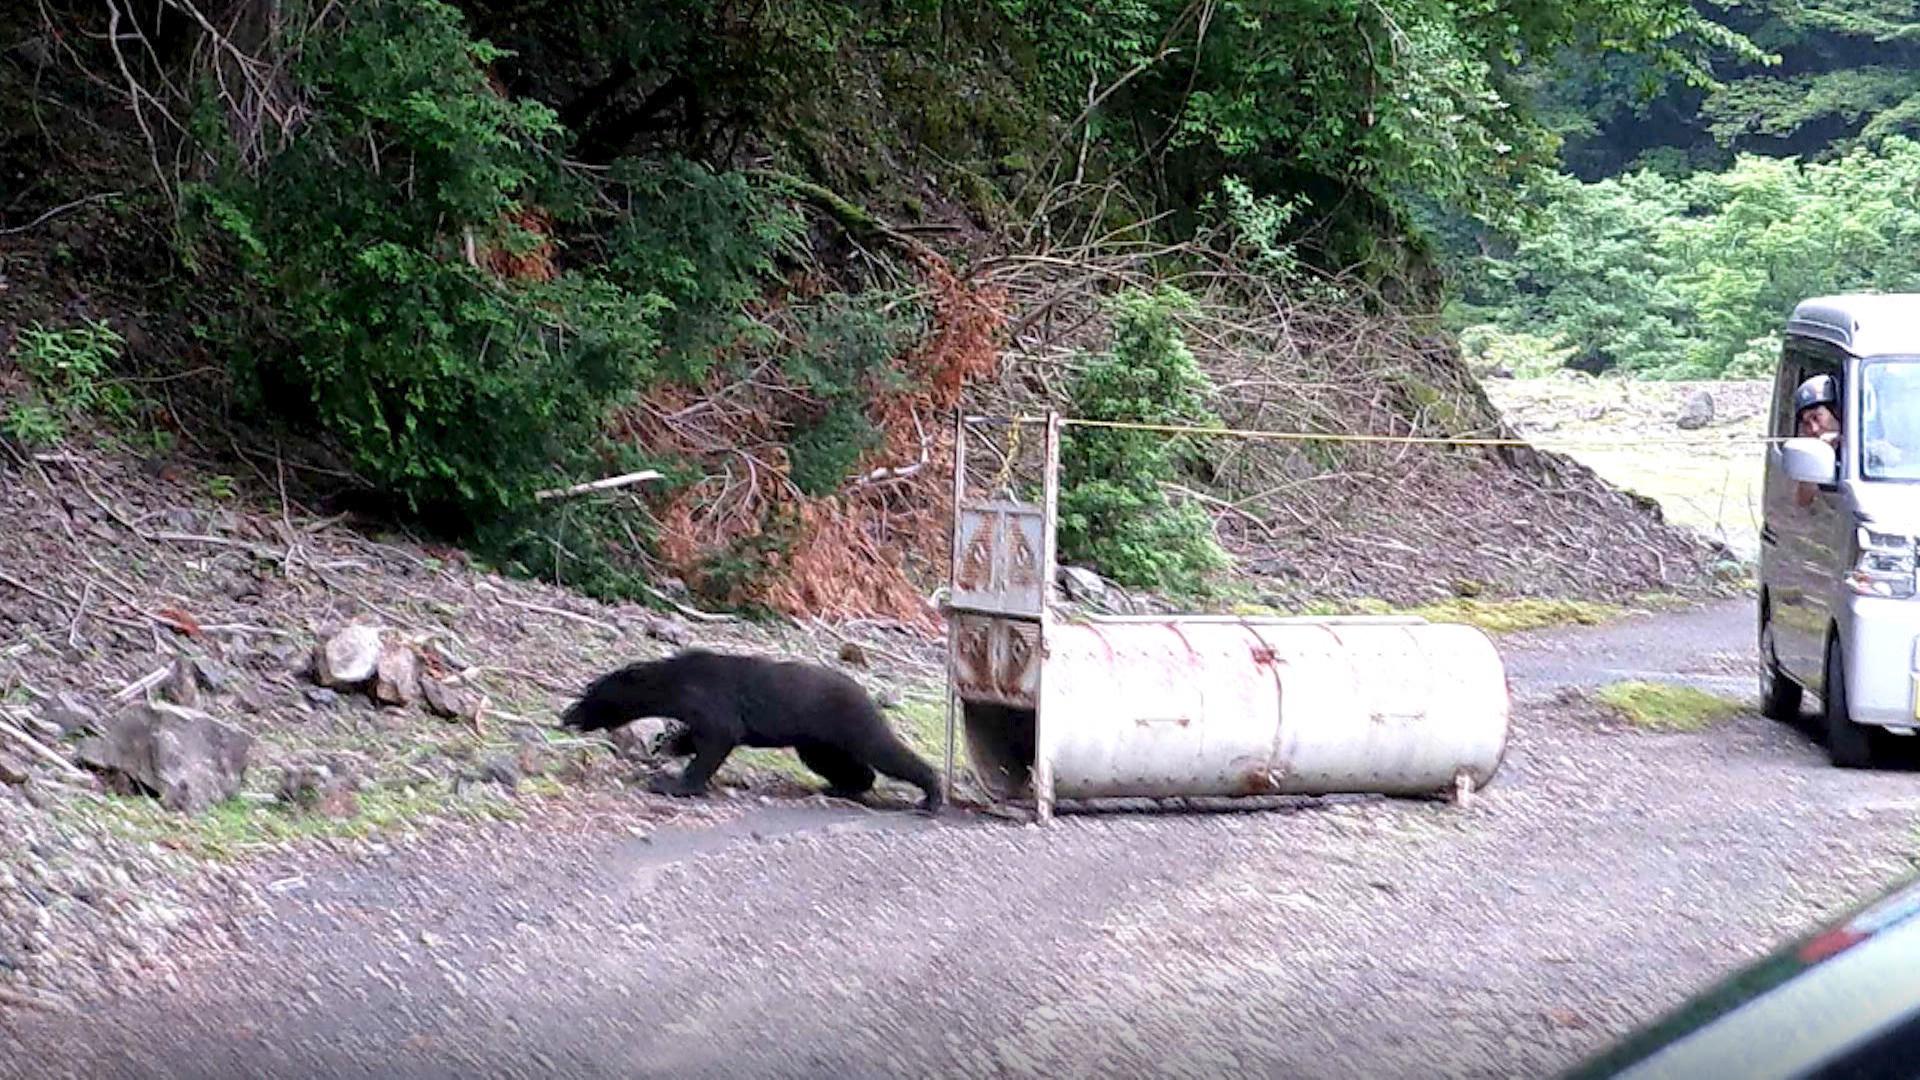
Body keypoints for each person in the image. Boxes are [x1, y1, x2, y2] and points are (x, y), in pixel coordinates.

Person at [1793, 374, 1841, 507]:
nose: (1814, 429)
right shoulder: (1813, 451)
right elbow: (1802, 502)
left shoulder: (1862, 441)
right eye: (1807, 423)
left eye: (1817, 417)